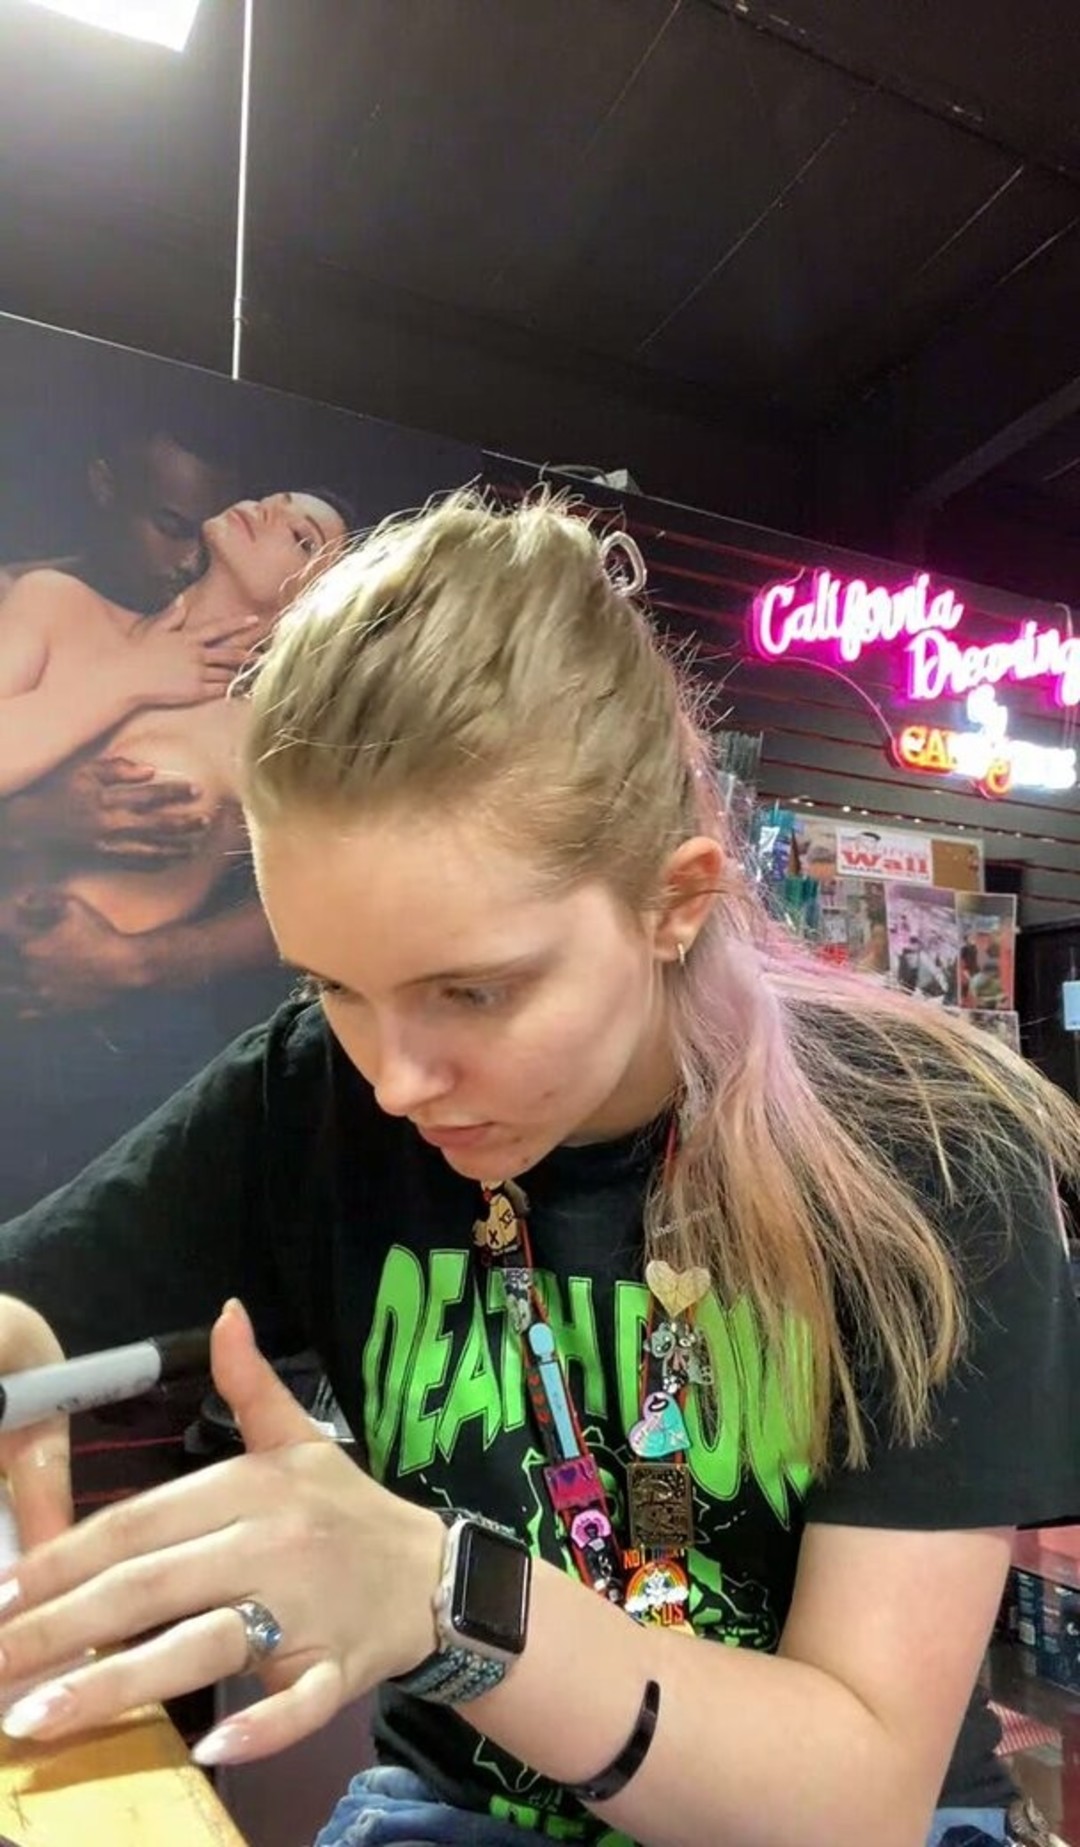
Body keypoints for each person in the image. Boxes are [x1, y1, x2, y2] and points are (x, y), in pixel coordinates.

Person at [0, 490, 1076, 1847]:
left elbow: (849, 1799)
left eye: (474, 990)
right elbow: (27, 1311)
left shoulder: (926, 1145)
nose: (395, 1080)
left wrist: (447, 1593)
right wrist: (25, 1334)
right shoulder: (313, 1089)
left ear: (675, 900)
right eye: (334, 982)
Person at [0, 488, 347, 1004]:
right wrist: (128, 679)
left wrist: (148, 963)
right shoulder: (55, 603)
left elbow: (339, 899)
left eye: (301, 538)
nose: (270, 510)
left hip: (75, 1026)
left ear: (318, 608)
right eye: (276, 498)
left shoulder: (269, 741)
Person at [0, 424, 238, 616]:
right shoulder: (11, 601)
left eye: (209, 541)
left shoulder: (214, 629)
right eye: (171, 529)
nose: (192, 561)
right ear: (104, 486)